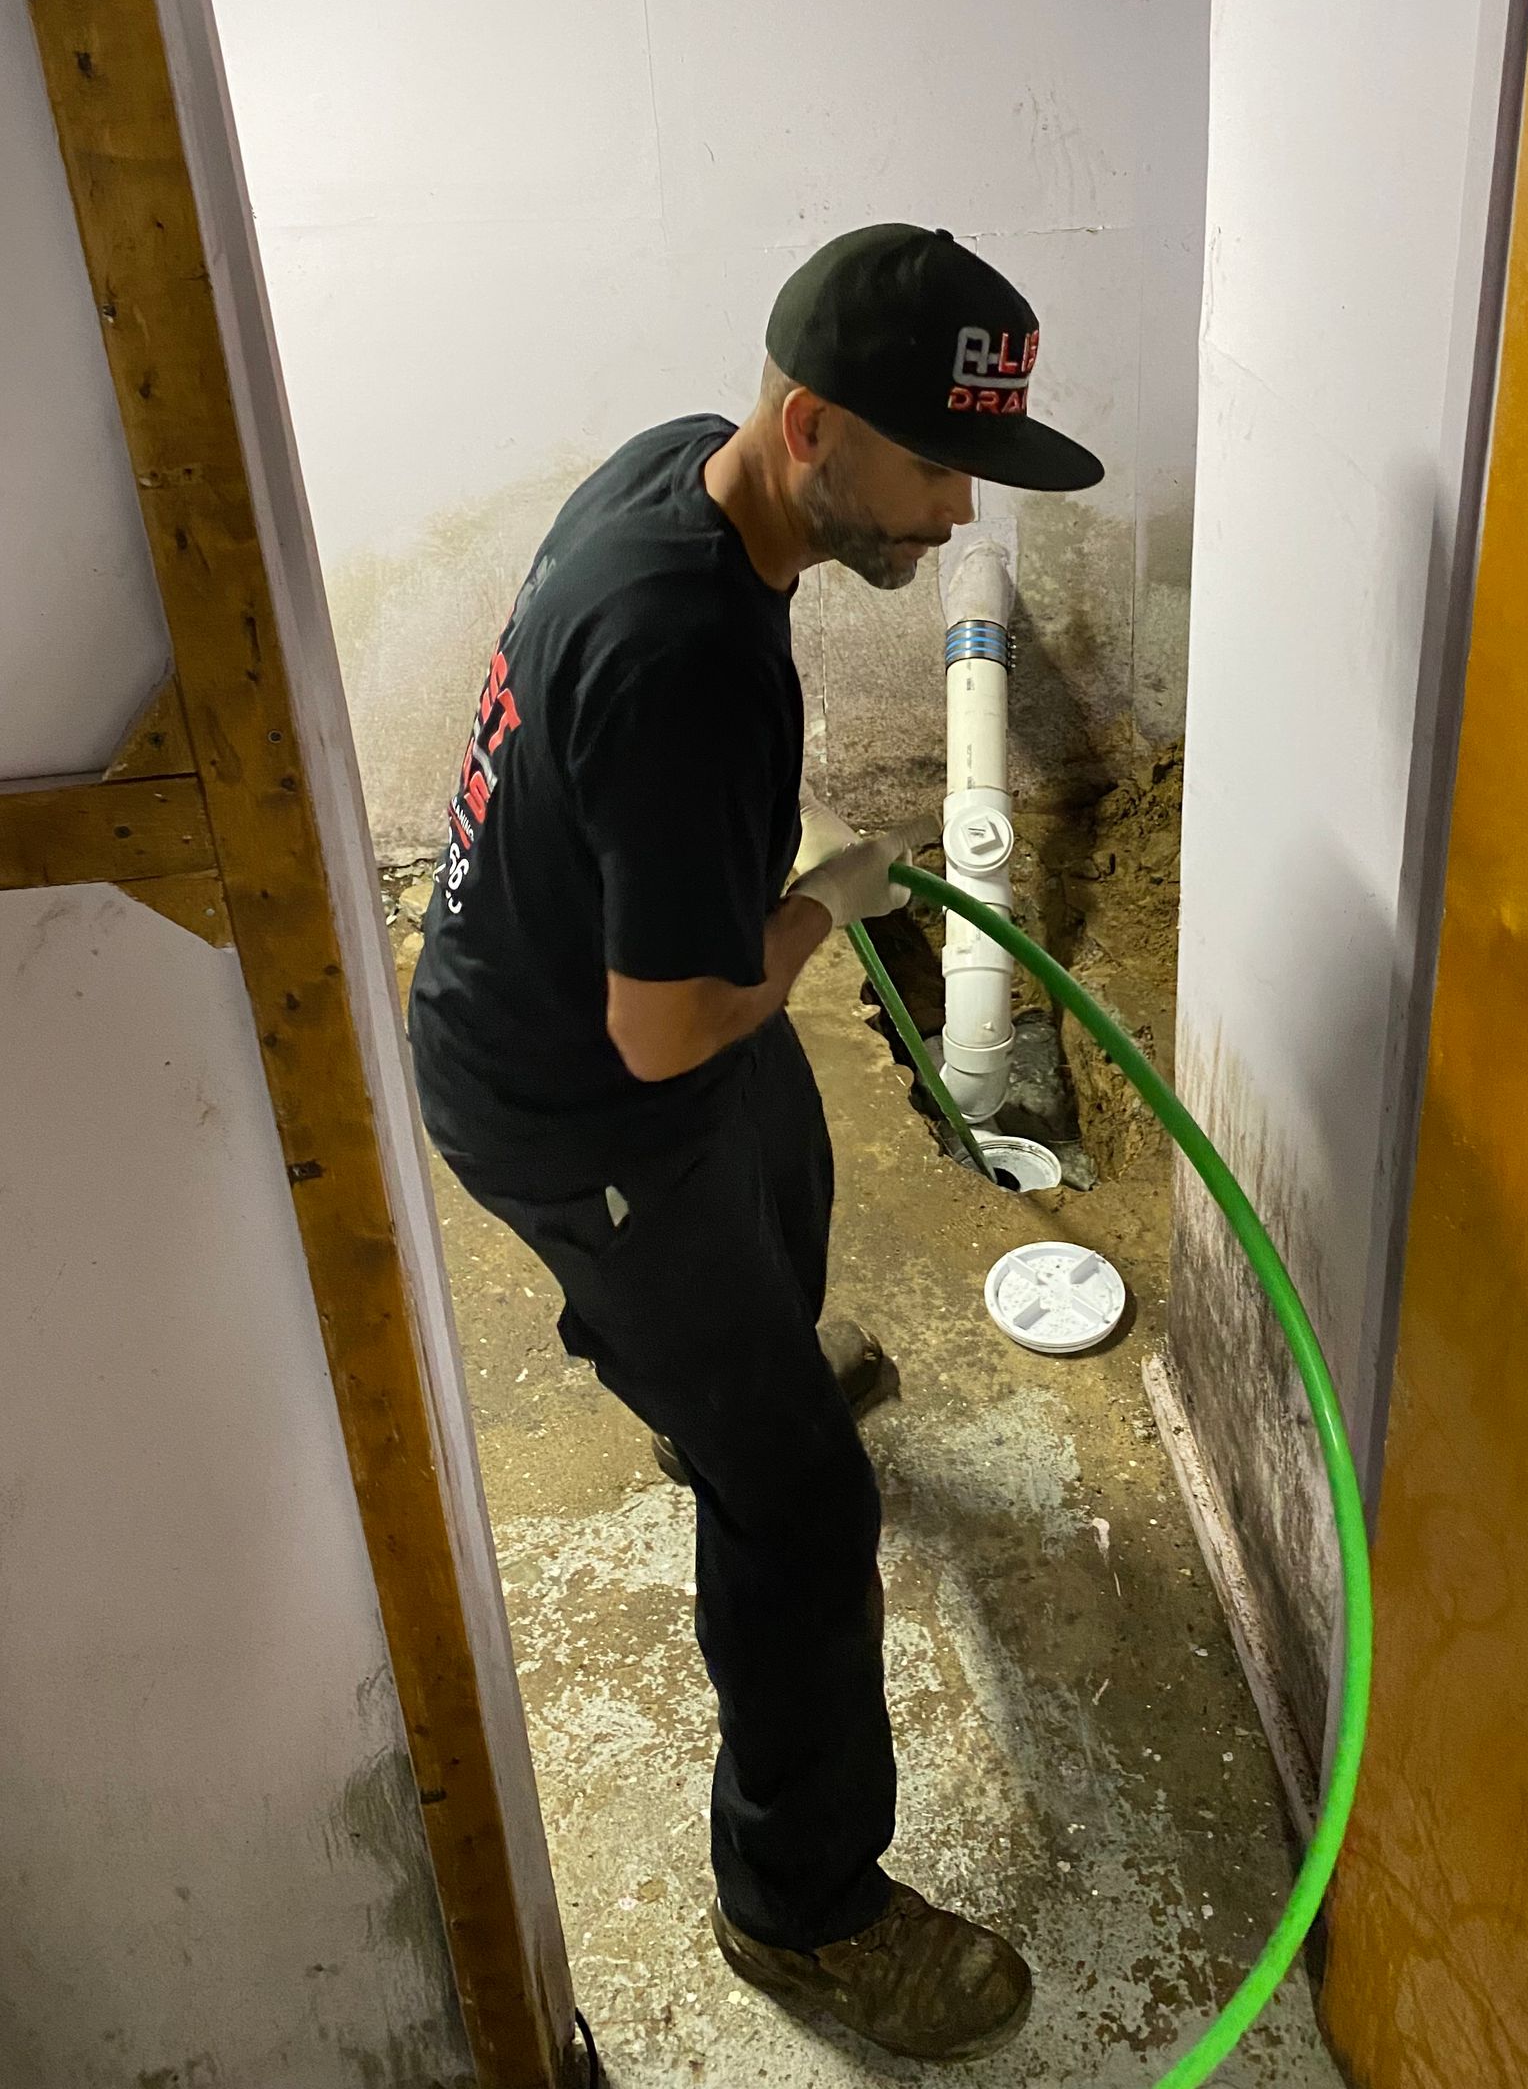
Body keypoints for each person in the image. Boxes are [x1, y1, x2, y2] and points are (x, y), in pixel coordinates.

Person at [408, 223, 1103, 2059]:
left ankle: (724, 1384)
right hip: (576, 1100)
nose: (959, 511)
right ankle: (801, 1912)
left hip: (581, 1005)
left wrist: (759, 922)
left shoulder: (678, 472)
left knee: (783, 1153)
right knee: (803, 1509)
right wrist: (816, 909)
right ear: (811, 428)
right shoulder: (689, 653)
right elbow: (663, 1031)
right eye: (936, 465)